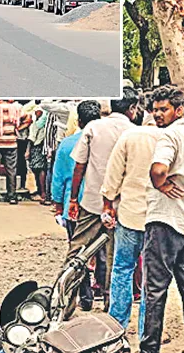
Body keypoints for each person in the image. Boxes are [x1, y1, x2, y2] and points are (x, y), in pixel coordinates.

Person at [143, 86, 184, 353]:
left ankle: (149, 348)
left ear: (178, 110)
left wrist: (160, 185)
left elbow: (159, 168)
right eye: (155, 109)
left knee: (156, 289)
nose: (158, 114)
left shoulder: (170, 135)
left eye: (163, 109)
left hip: (166, 220)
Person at [66, 88, 140, 316]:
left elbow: (79, 165)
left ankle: (66, 303)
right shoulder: (136, 132)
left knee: (77, 251)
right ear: (132, 109)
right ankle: (111, 309)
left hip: (91, 201)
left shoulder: (93, 127)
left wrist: (72, 198)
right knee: (114, 257)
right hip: (121, 206)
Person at [101, 119, 162, 336]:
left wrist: (108, 203)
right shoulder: (170, 138)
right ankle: (147, 329)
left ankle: (117, 323)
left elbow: (113, 173)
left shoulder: (130, 137)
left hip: (130, 213)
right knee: (152, 275)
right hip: (158, 217)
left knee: (122, 268)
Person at [52, 101, 102, 310]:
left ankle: (82, 295)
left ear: (79, 121)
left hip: (75, 207)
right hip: (101, 204)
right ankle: (103, 295)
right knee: (103, 252)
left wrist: (57, 205)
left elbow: (59, 178)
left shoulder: (66, 144)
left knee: (77, 251)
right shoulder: (107, 142)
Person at [0, 100, 24, 205]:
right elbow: (28, 119)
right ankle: (12, 197)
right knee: (11, 170)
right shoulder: (16, 108)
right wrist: (17, 129)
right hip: (11, 142)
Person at [28, 106, 48, 202]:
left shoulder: (37, 124)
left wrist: (27, 150)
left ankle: (42, 191)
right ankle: (42, 191)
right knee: (40, 169)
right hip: (43, 146)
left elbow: (31, 138)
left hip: (36, 146)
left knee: (39, 169)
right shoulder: (45, 123)